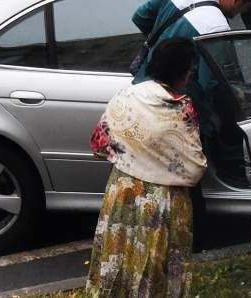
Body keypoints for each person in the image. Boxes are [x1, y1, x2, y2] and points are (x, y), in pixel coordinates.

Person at [86, 38, 205, 298]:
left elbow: (98, 144)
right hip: (163, 202)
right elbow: (194, 168)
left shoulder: (125, 95)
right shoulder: (179, 106)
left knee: (118, 259)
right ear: (183, 72)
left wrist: (132, 157)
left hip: (122, 191)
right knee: (154, 268)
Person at [130, 0, 251, 141]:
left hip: (142, 87)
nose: (243, 12)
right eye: (246, 7)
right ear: (237, 0)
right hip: (174, 111)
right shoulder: (217, 29)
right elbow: (207, 84)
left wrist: (161, 41)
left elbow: (140, 17)